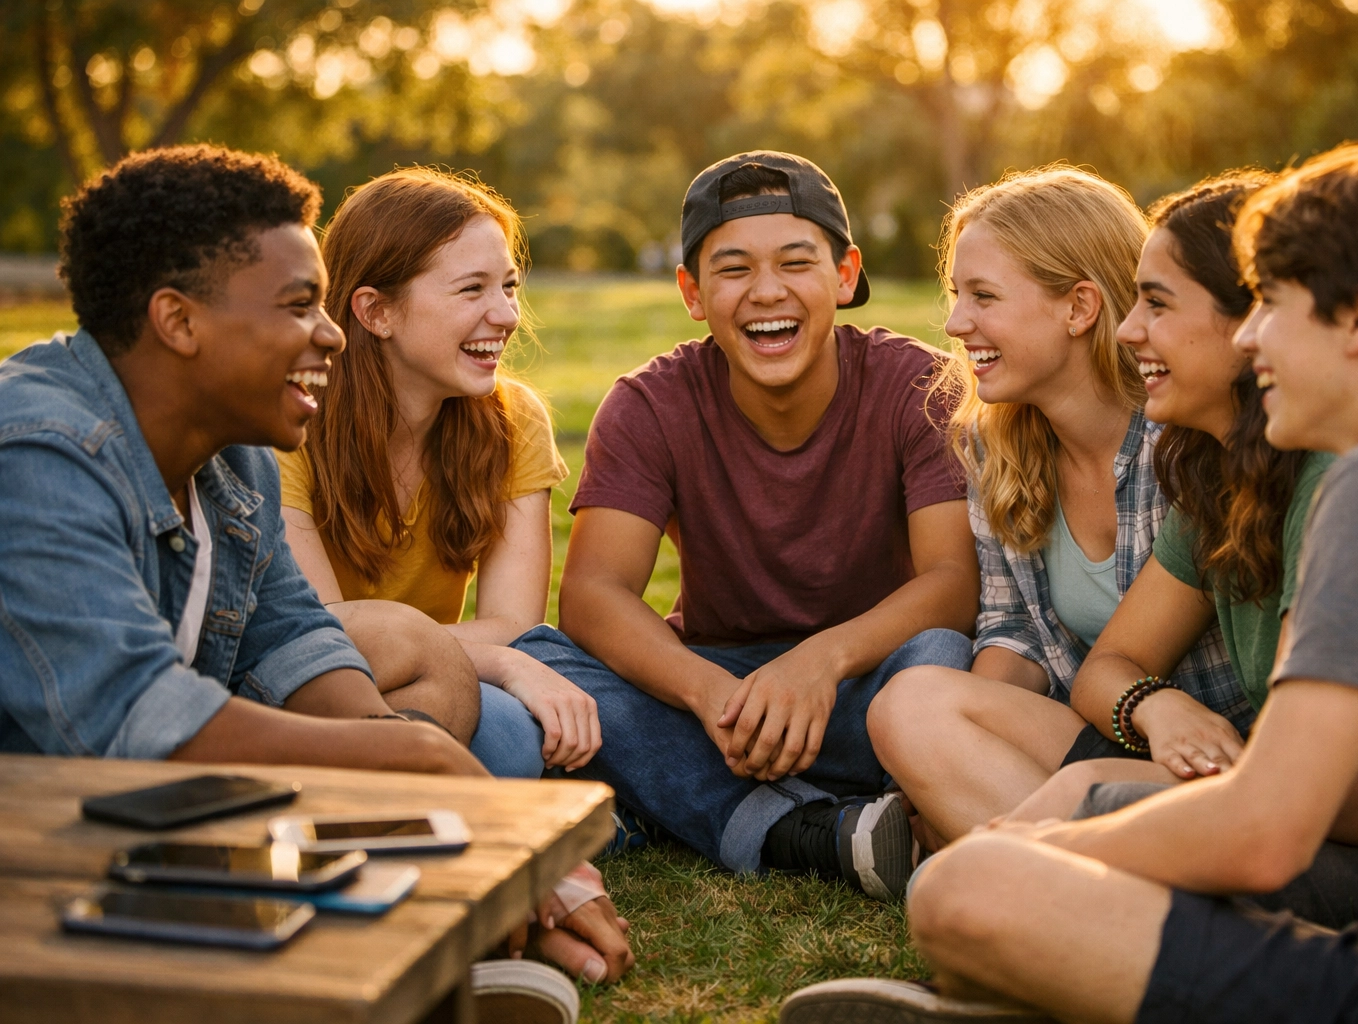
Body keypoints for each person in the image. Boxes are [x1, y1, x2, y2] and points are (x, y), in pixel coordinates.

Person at [783, 142, 1358, 1024]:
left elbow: (1280, 823)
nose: (1254, 336)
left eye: (1275, 308)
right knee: (1004, 873)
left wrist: (1055, 839)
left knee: (967, 891)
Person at [516, 151, 978, 899]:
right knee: (546, 661)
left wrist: (820, 663)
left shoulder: (918, 385)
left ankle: (688, 803)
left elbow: (952, 584)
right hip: (724, 700)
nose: (767, 292)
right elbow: (595, 594)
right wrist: (705, 692)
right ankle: (816, 832)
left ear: (845, 274)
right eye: (732, 270)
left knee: (943, 651)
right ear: (692, 293)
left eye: (796, 262)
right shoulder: (648, 404)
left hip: (870, 682)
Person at [997, 171, 1358, 931]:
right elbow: (1109, 668)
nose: (1127, 330)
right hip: (1280, 815)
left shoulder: (1338, 479)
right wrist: (1157, 709)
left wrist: (1160, 793)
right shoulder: (1222, 474)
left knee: (1032, 855)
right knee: (1028, 838)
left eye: (1156, 303)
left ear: (1249, 320)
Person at [0, 144, 483, 778]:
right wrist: (411, 754)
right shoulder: (41, 455)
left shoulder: (235, 456)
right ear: (178, 320)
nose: (333, 332)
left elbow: (290, 634)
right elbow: (133, 716)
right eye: (298, 304)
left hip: (128, 804)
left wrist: (392, 747)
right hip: (41, 813)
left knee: (439, 679)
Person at [276, 167, 632, 989]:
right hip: (308, 703)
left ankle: (459, 913)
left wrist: (502, 655)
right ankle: (504, 910)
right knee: (499, 722)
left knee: (511, 728)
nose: (505, 315)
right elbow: (319, 639)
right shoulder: (288, 424)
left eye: (508, 285)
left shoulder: (511, 421)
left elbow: (513, 616)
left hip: (444, 696)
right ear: (375, 310)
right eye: (471, 289)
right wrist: (502, 660)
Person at [866, 167, 1245, 847]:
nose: (955, 323)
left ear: (1079, 308)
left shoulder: (1187, 444)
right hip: (1108, 735)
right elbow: (1013, 629)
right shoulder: (995, 444)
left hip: (1219, 752)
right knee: (908, 707)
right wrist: (958, 750)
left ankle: (1012, 864)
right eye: (957, 295)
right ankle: (1035, 861)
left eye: (984, 296)